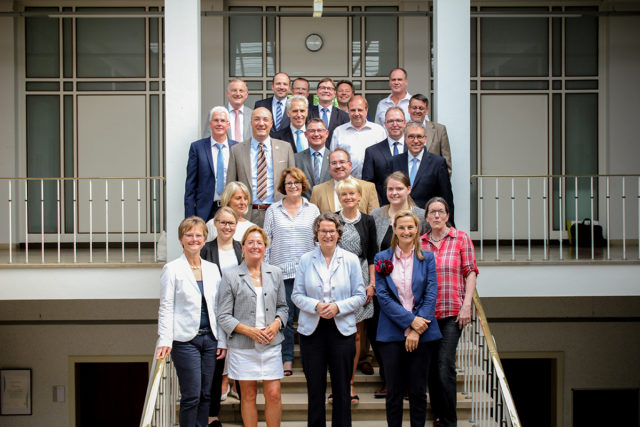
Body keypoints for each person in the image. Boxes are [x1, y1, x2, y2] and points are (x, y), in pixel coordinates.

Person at [292, 213, 366, 427]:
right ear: (316, 234)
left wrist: (338, 307)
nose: (327, 235)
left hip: (341, 330)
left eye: (331, 231)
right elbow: (296, 295)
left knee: (342, 389)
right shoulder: (306, 259)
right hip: (312, 331)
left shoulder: (351, 260)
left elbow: (360, 295)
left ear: (338, 233)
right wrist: (315, 305)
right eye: (323, 231)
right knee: (315, 389)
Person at [156, 216, 227, 427]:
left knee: (206, 394)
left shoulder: (212, 269)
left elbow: (219, 308)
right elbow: (166, 306)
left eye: (198, 235)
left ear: (205, 239)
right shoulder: (172, 269)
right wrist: (164, 340)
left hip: (211, 340)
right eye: (189, 235)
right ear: (181, 239)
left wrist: (222, 340)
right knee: (191, 395)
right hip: (185, 341)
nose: (194, 239)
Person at [374, 210, 442, 427]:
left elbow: (431, 293)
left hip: (423, 332)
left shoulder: (427, 257)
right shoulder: (382, 258)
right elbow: (383, 297)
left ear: (417, 230)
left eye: (410, 227)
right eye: (401, 227)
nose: (406, 231)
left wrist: (416, 328)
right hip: (392, 333)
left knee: (418, 391)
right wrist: (409, 322)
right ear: (394, 229)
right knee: (393, 392)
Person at [217, 226, 288, 427]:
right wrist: (249, 331)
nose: (255, 246)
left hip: (271, 344)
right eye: (251, 242)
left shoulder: (275, 273)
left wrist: (276, 323)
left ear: (265, 248)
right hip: (243, 347)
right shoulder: (230, 276)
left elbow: (283, 307)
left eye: (259, 243)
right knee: (248, 396)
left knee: (273, 394)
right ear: (243, 247)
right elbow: (223, 316)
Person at [368, 171, 427, 399]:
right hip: (383, 287)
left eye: (399, 189)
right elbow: (372, 250)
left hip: (413, 288)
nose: (394, 193)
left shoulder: (421, 215)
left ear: (409, 189)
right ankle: (389, 379)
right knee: (380, 333)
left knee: (412, 333)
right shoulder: (375, 215)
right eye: (390, 189)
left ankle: (410, 383)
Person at [421, 197, 478, 427]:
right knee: (432, 366)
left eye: (441, 212)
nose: (436, 216)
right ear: (426, 217)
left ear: (447, 215)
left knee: (445, 364)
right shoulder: (420, 242)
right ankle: (437, 412)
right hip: (427, 315)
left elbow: (471, 271)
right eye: (432, 212)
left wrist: (467, 304)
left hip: (453, 312)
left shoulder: (461, 238)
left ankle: (448, 420)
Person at [264, 167, 320, 376]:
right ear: (283, 187)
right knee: (284, 319)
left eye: (296, 182)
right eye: (289, 183)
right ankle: (286, 359)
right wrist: (267, 272)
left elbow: (317, 241)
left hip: (307, 273)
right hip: (280, 274)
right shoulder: (273, 210)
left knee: (307, 318)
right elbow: (267, 242)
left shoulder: (312, 209)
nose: (293, 186)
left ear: (302, 185)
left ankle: (308, 359)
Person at [334, 178, 378, 403]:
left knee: (356, 334)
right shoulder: (332, 219)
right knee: (335, 335)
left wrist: (371, 283)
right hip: (335, 278)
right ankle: (336, 385)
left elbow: (372, 255)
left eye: (352, 194)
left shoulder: (368, 221)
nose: (349, 197)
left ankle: (349, 383)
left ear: (360, 196)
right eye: (344, 194)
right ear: (339, 197)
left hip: (360, 277)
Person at [201, 207, 243, 427]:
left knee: (242, 361)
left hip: (240, 312)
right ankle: (212, 415)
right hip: (214, 312)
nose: (227, 227)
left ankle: (247, 410)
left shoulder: (241, 248)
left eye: (231, 223)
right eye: (223, 222)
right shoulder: (206, 249)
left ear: (236, 225)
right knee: (216, 365)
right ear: (215, 224)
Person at [226, 107, 296, 226]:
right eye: (257, 119)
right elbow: (230, 186)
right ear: (251, 123)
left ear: (271, 123)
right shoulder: (236, 150)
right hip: (247, 213)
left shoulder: (286, 148)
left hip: (278, 213)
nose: (261, 123)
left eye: (265, 119)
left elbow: (293, 183)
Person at [389, 121, 454, 223]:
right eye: (411, 137)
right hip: (400, 221)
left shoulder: (438, 163)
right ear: (405, 139)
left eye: (419, 136)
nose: (415, 141)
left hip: (428, 222)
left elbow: (446, 197)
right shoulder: (394, 161)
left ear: (425, 138)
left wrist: (449, 225)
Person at [186, 106, 238, 222]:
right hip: (204, 210)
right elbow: (190, 185)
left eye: (222, 121)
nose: (219, 124)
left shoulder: (237, 147)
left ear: (228, 125)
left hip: (230, 208)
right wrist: (190, 218)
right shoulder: (197, 148)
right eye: (216, 120)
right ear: (210, 124)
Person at [330, 95, 386, 179]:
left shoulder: (378, 131)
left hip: (373, 182)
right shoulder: (339, 132)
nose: (356, 113)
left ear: (366, 110)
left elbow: (384, 158)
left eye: (360, 110)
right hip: (346, 183)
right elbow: (332, 159)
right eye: (353, 110)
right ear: (348, 111)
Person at [310, 148, 379, 214]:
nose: (338, 166)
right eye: (334, 163)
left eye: (342, 162)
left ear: (350, 165)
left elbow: (375, 219)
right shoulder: (317, 191)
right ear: (329, 167)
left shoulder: (368, 188)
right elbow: (313, 221)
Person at [362, 107, 407, 205]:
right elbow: (368, 185)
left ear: (405, 123)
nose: (395, 124)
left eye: (398, 120)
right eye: (390, 121)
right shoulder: (372, 152)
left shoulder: (414, 149)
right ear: (385, 124)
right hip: (383, 209)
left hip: (411, 208)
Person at [409, 93, 452, 175]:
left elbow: (447, 164)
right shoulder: (402, 131)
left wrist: (441, 184)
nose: (417, 111)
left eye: (421, 108)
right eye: (414, 108)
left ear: (427, 110)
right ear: (409, 109)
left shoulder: (439, 130)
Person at [294, 118, 333, 200]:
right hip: (304, 208)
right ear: (306, 134)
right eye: (312, 131)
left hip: (331, 209)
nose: (316, 134)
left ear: (326, 133)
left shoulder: (335, 158)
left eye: (319, 130)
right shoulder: (296, 159)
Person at [307, 77, 350, 145]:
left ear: (334, 93)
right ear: (317, 92)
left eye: (329, 88)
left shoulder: (344, 116)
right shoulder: (307, 114)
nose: (326, 91)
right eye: (323, 88)